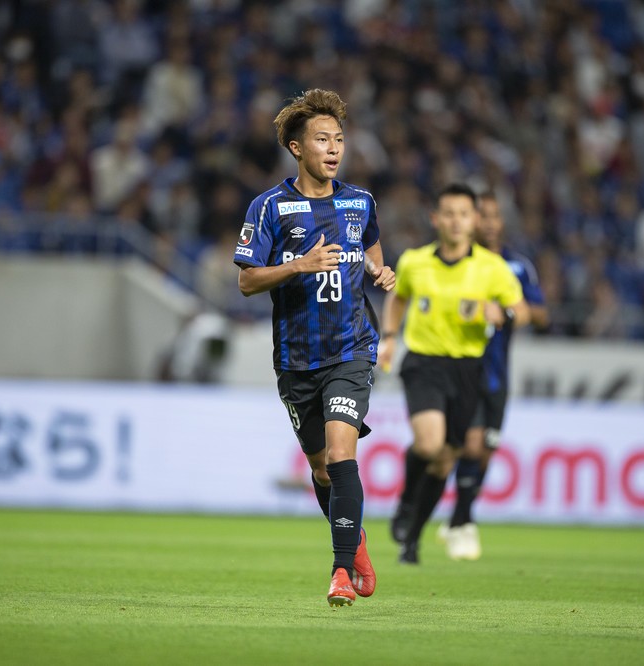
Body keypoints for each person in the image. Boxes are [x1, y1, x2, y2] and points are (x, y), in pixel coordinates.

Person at [233, 89, 395, 607]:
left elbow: (369, 240)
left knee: (343, 454)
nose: (334, 148)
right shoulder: (270, 208)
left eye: (339, 139)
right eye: (322, 140)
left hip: (352, 350)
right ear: (297, 148)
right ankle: (356, 542)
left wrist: (375, 266)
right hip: (296, 359)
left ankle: (341, 571)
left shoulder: (359, 201)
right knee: (322, 468)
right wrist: (299, 265)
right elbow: (247, 282)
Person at [378, 183, 529, 564]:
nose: (456, 221)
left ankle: (412, 537)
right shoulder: (415, 261)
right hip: (425, 363)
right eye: (449, 213)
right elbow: (398, 298)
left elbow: (521, 311)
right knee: (429, 444)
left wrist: (504, 314)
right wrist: (390, 336)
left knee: (445, 460)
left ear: (475, 220)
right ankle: (406, 503)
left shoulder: (492, 268)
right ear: (435, 219)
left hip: (467, 369)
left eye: (464, 214)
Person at [438, 192, 548, 560]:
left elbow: (539, 314)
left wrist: (507, 312)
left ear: (500, 222)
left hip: (499, 373)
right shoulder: (457, 261)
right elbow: (443, 303)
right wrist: (474, 308)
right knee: (467, 446)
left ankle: (458, 519)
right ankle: (461, 523)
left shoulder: (517, 265)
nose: (487, 222)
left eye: (493, 216)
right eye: (480, 215)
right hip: (463, 368)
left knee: (485, 451)